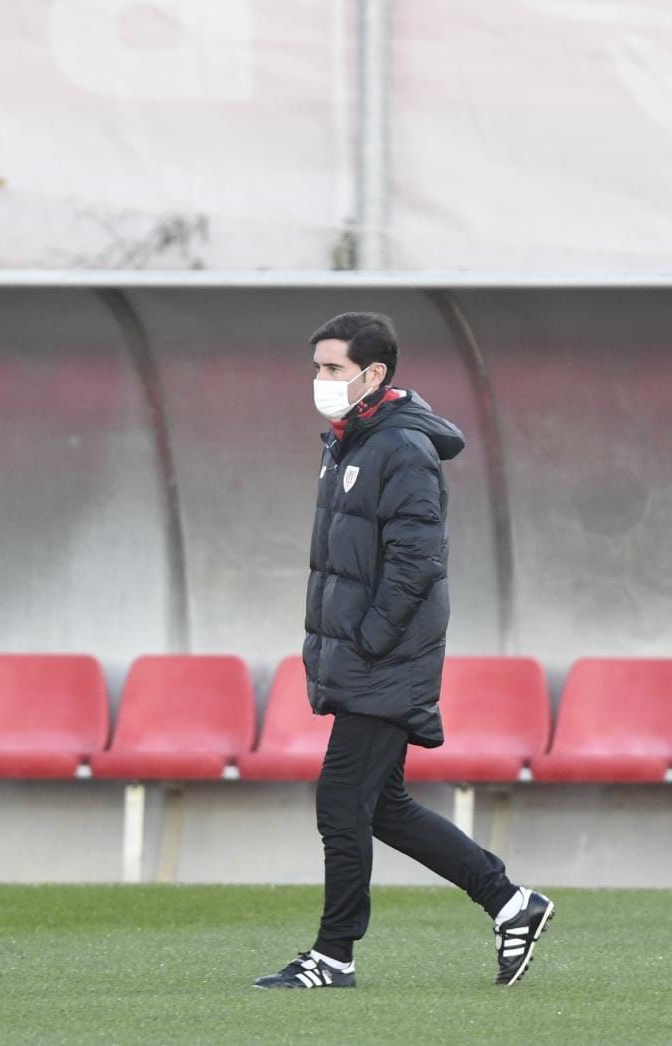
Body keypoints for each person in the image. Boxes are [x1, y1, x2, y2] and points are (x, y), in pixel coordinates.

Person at [253, 311, 553, 990]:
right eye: (318, 368)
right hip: (368, 658)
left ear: (373, 374)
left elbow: (415, 563)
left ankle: (333, 957)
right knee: (381, 805)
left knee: (340, 801)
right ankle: (510, 902)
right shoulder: (349, 444)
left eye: (332, 369)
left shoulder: (400, 450)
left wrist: (368, 640)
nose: (320, 381)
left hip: (384, 660)